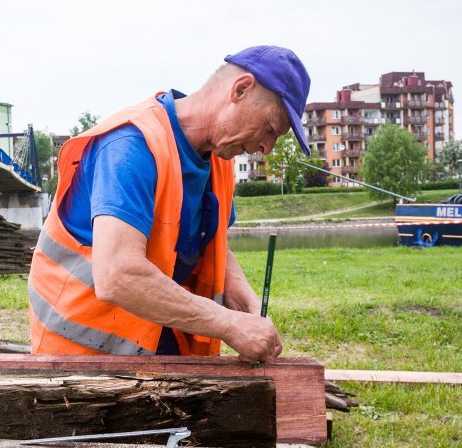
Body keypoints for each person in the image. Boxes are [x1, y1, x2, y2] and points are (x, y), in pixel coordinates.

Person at [29, 45, 311, 363]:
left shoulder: (220, 159)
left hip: (152, 339)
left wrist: (245, 304)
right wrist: (230, 324)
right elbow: (119, 275)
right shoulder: (132, 145)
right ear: (241, 89)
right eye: (270, 129)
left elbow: (214, 246)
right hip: (82, 358)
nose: (267, 147)